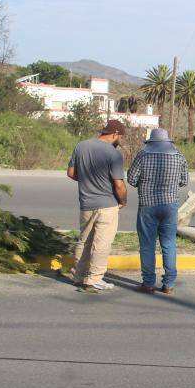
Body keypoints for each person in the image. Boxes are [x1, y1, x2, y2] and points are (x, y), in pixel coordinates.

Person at [67, 119, 127, 293]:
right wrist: (123, 201)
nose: (119, 140)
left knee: (84, 241)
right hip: (107, 205)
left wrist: (86, 181)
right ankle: (94, 280)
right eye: (120, 137)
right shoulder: (113, 154)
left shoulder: (81, 146)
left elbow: (71, 173)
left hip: (86, 203)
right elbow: (119, 184)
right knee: (102, 244)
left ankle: (78, 276)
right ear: (115, 134)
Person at [127, 128, 189, 295]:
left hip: (147, 205)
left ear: (151, 142)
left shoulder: (143, 155)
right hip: (170, 206)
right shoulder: (178, 156)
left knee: (147, 246)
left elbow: (131, 179)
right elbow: (184, 181)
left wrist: (145, 183)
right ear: (168, 142)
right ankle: (169, 283)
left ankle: (148, 283)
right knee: (169, 244)